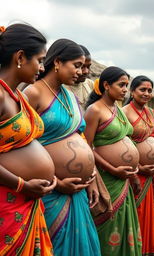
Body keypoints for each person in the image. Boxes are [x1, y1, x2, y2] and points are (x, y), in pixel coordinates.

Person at [24, 39, 101, 256]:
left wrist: (92, 179)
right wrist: (57, 183)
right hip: (49, 192)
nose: (80, 71)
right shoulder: (33, 93)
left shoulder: (71, 97)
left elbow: (81, 137)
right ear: (57, 62)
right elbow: (22, 146)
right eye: (76, 65)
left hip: (78, 191)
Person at [0, 23, 57, 255]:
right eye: (40, 60)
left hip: (27, 202)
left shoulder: (16, 96)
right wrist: (22, 184)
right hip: (8, 201)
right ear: (21, 57)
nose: (42, 67)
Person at [84, 66, 142, 256]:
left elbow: (127, 139)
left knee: (123, 224)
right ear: (107, 85)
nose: (126, 89)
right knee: (108, 224)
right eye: (121, 85)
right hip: (106, 178)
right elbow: (87, 147)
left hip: (123, 179)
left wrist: (133, 175)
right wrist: (112, 168)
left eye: (127, 85)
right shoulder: (95, 110)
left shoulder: (117, 108)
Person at [123, 75, 154, 256]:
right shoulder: (124, 112)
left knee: (152, 214)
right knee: (138, 213)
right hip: (136, 174)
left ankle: (151, 250)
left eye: (150, 90)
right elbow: (123, 145)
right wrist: (139, 169)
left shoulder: (152, 113)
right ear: (132, 91)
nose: (147, 93)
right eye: (142, 89)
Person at [64, 45, 94, 114]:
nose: (86, 71)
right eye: (81, 66)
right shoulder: (61, 87)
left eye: (88, 67)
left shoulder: (90, 85)